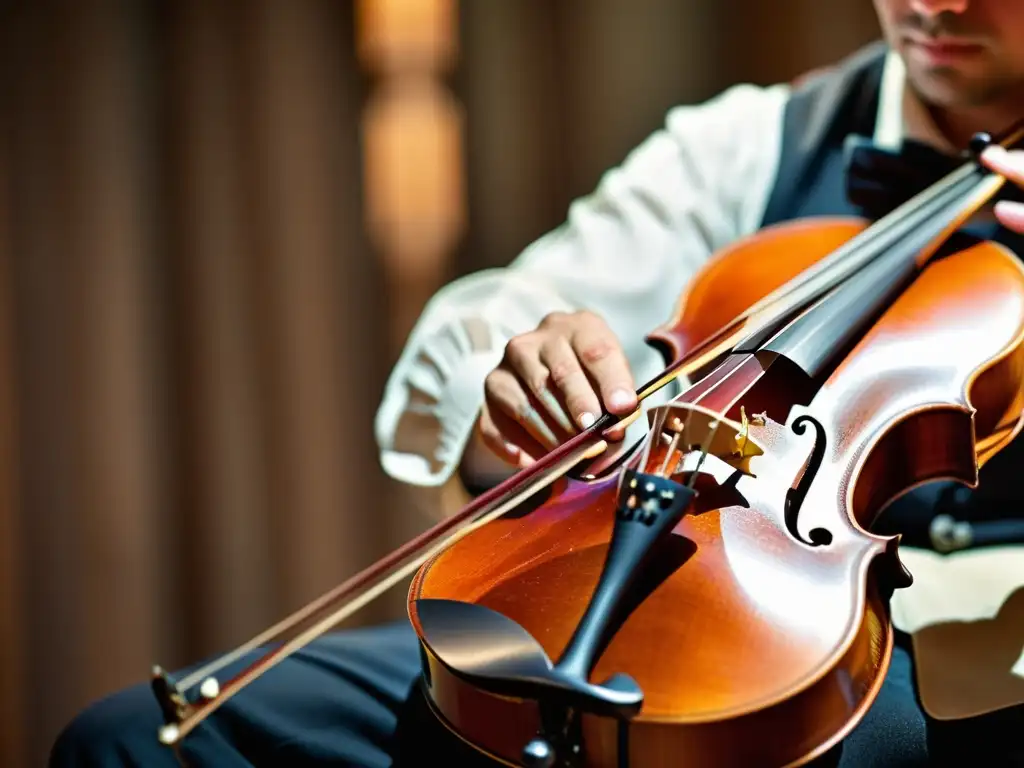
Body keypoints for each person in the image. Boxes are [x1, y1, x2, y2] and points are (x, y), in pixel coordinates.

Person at [50, 0, 1024, 766]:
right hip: (674, 594)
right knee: (130, 739)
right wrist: (512, 377)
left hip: (965, 659)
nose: (933, 3)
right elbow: (494, 315)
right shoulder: (753, 141)